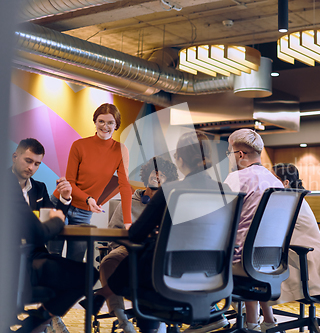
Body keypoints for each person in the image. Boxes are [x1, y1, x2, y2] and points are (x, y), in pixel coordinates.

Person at [107, 131, 230, 333]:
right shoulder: (225, 191)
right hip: (213, 274)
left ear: (179, 160)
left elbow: (135, 234)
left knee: (136, 273)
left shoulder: (170, 190)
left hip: (170, 276)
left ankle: (150, 327)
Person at [11, 138, 99, 333]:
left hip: (34, 256)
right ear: (15, 156)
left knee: (89, 274)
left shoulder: (39, 188)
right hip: (9, 260)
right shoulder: (3, 185)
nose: (31, 167)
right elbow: (46, 228)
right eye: (28, 161)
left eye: (37, 163)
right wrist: (57, 220)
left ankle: (33, 325)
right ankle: (31, 327)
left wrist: (65, 199)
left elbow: (52, 221)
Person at [83, 157, 178, 333]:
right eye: (153, 171)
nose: (156, 175)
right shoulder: (129, 200)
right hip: (127, 246)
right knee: (108, 262)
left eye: (162, 173)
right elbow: (113, 232)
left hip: (158, 249)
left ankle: (156, 319)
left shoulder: (172, 202)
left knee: (149, 265)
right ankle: (122, 319)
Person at [51, 103, 133, 262]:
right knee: (52, 256)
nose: (105, 126)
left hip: (84, 213)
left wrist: (128, 223)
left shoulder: (121, 150)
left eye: (110, 122)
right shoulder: (79, 145)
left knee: (76, 261)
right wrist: (89, 199)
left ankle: (71, 288)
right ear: (95, 122)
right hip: (60, 204)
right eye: (101, 121)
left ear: (116, 125)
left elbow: (124, 187)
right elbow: (71, 183)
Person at [222, 129, 283, 332]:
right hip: (270, 260)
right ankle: (260, 322)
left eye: (230, 153)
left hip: (240, 260)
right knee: (247, 244)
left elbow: (219, 220)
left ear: (240, 154)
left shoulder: (235, 179)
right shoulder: (276, 183)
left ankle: (208, 317)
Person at [269, 163, 320, 302]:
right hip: (316, 265)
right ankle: (257, 316)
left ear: (285, 183)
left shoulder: (287, 201)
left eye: (272, 179)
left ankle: (251, 315)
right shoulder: (296, 198)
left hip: (305, 265)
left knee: (249, 265)